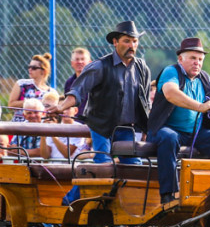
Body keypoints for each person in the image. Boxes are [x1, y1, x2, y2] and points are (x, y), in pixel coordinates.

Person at [49, 21, 152, 165]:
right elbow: (77, 90)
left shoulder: (142, 68)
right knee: (103, 166)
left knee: (134, 167)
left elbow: (146, 102)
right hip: (101, 126)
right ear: (115, 42)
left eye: (135, 41)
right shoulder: (100, 66)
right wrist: (61, 107)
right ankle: (82, 188)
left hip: (127, 129)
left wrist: (146, 128)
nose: (132, 46)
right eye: (127, 41)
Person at [147, 37, 210, 204]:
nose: (197, 63)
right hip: (164, 129)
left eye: (200, 59)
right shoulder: (171, 72)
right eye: (193, 58)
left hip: (195, 133)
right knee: (169, 138)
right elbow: (170, 93)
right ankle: (169, 195)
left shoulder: (204, 77)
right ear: (180, 59)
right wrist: (199, 107)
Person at [8, 53, 53, 122]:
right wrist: (32, 102)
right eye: (29, 67)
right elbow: (11, 105)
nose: (30, 70)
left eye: (34, 68)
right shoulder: (22, 84)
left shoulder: (50, 92)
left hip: (40, 127)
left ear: (44, 71)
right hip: (19, 125)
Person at [62, 47, 92, 116]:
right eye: (77, 59)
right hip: (74, 121)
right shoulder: (69, 83)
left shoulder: (96, 81)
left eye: (83, 59)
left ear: (90, 63)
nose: (79, 62)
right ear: (72, 63)